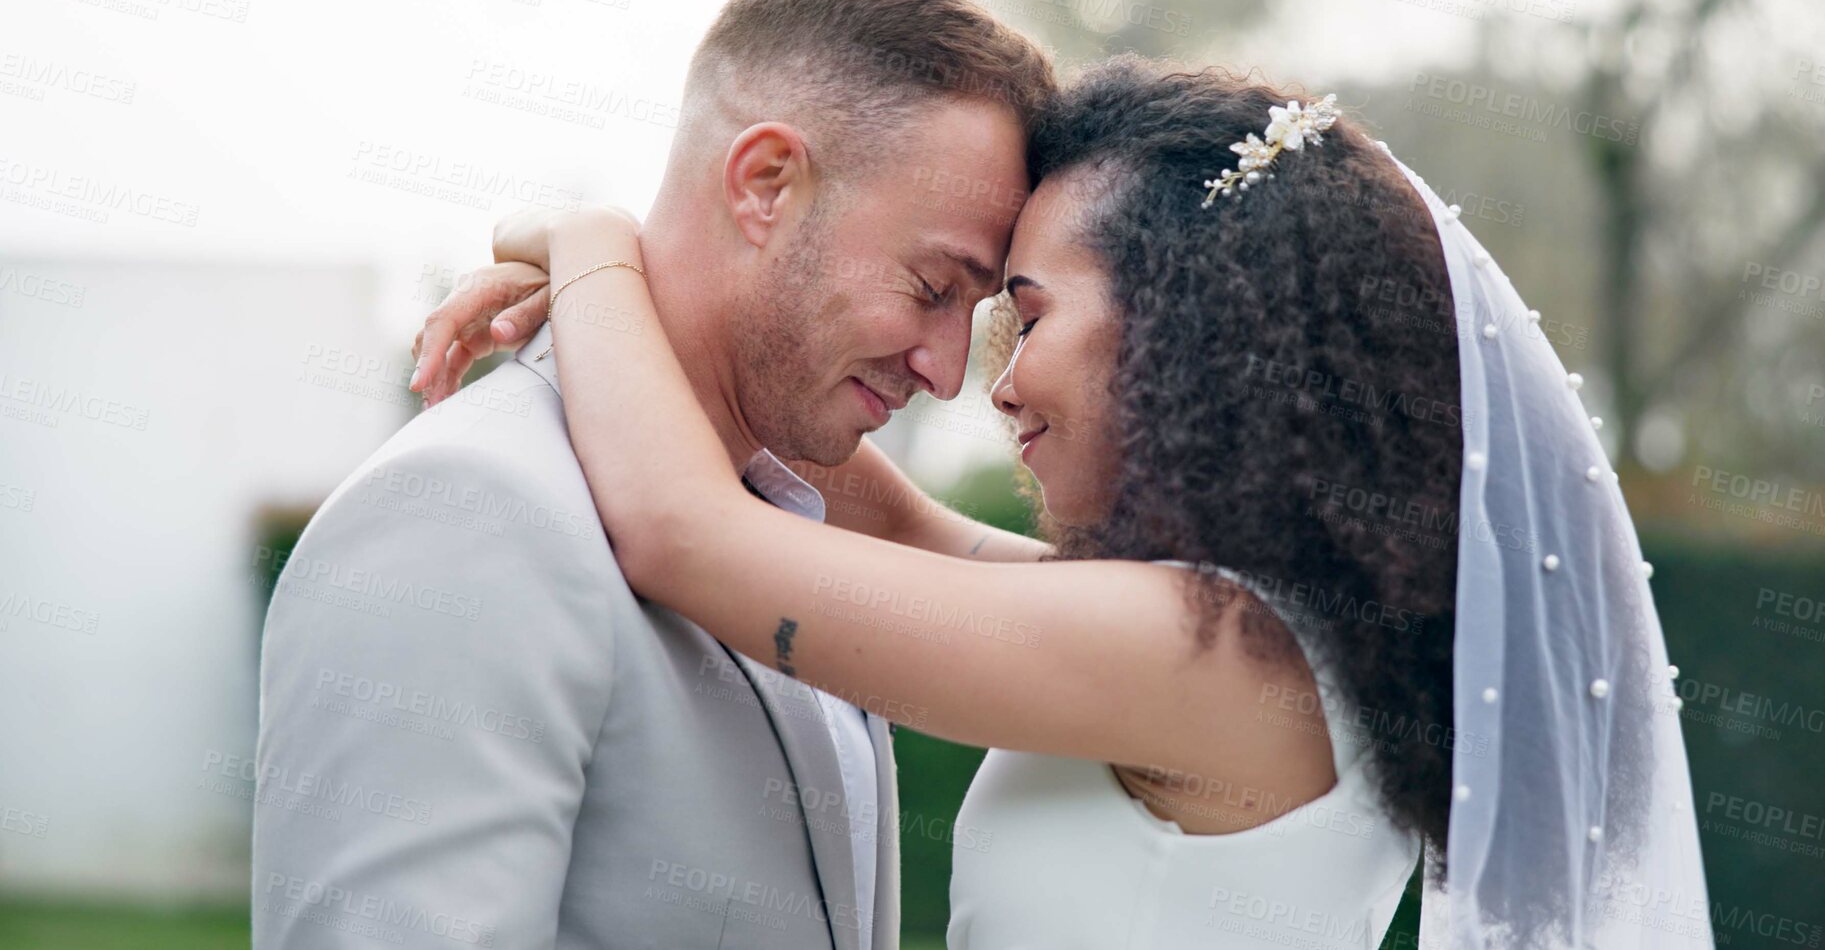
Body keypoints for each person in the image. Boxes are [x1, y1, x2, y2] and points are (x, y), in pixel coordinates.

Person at [429, 54, 1716, 949]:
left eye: (1028, 313)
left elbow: (683, 535)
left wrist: (594, 243)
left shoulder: (1209, 657)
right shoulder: (1236, 626)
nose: (995, 379)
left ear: (1187, 330)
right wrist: (697, 304)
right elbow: (901, 523)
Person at [253, 0, 1054, 950]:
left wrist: (585, 240)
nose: (946, 371)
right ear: (765, 183)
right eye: (936, 287)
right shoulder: (465, 514)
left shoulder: (796, 510)